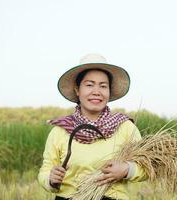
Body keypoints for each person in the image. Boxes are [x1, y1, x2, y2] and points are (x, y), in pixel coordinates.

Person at [38, 54, 147, 200]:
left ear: (109, 91)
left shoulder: (126, 127)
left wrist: (126, 169)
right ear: (77, 90)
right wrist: (50, 179)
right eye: (89, 85)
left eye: (103, 86)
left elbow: (146, 167)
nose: (97, 91)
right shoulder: (60, 131)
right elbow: (45, 170)